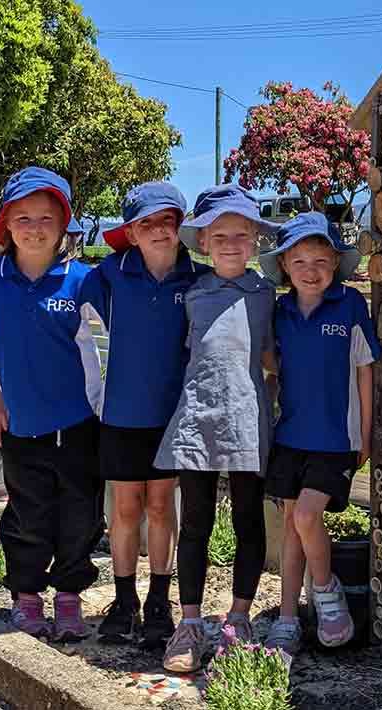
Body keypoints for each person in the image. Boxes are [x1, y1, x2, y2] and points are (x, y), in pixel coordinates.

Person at [0, 166, 103, 642]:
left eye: (46, 217)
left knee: (81, 515)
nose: (34, 227)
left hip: (80, 424)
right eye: (22, 216)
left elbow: (115, 343)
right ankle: (26, 598)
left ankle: (68, 598)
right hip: (21, 425)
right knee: (26, 515)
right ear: (6, 224)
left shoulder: (83, 280)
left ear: (64, 224)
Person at [154, 185, 279, 673]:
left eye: (241, 235)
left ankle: (239, 619)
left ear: (255, 242)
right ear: (204, 241)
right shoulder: (191, 294)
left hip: (247, 419)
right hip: (197, 418)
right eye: (220, 234)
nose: (231, 243)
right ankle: (189, 625)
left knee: (249, 520)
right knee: (197, 523)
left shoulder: (265, 295)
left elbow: (272, 356)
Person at [79, 182, 210, 648]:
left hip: (173, 418)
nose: (158, 230)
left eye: (167, 220)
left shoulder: (197, 279)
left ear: (181, 226)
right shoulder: (108, 276)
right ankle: (123, 598)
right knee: (125, 508)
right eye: (146, 223)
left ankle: (159, 599)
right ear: (131, 233)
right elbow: (77, 333)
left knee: (161, 507)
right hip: (120, 416)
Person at [257, 212, 381, 655]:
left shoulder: (350, 305)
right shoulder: (281, 311)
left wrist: (365, 435)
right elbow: (272, 368)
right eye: (301, 261)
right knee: (292, 526)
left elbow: (365, 371)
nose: (312, 271)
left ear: (336, 263)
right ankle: (289, 617)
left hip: (336, 440)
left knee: (308, 517)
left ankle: (328, 595)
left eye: (322, 261)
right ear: (285, 265)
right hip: (291, 436)